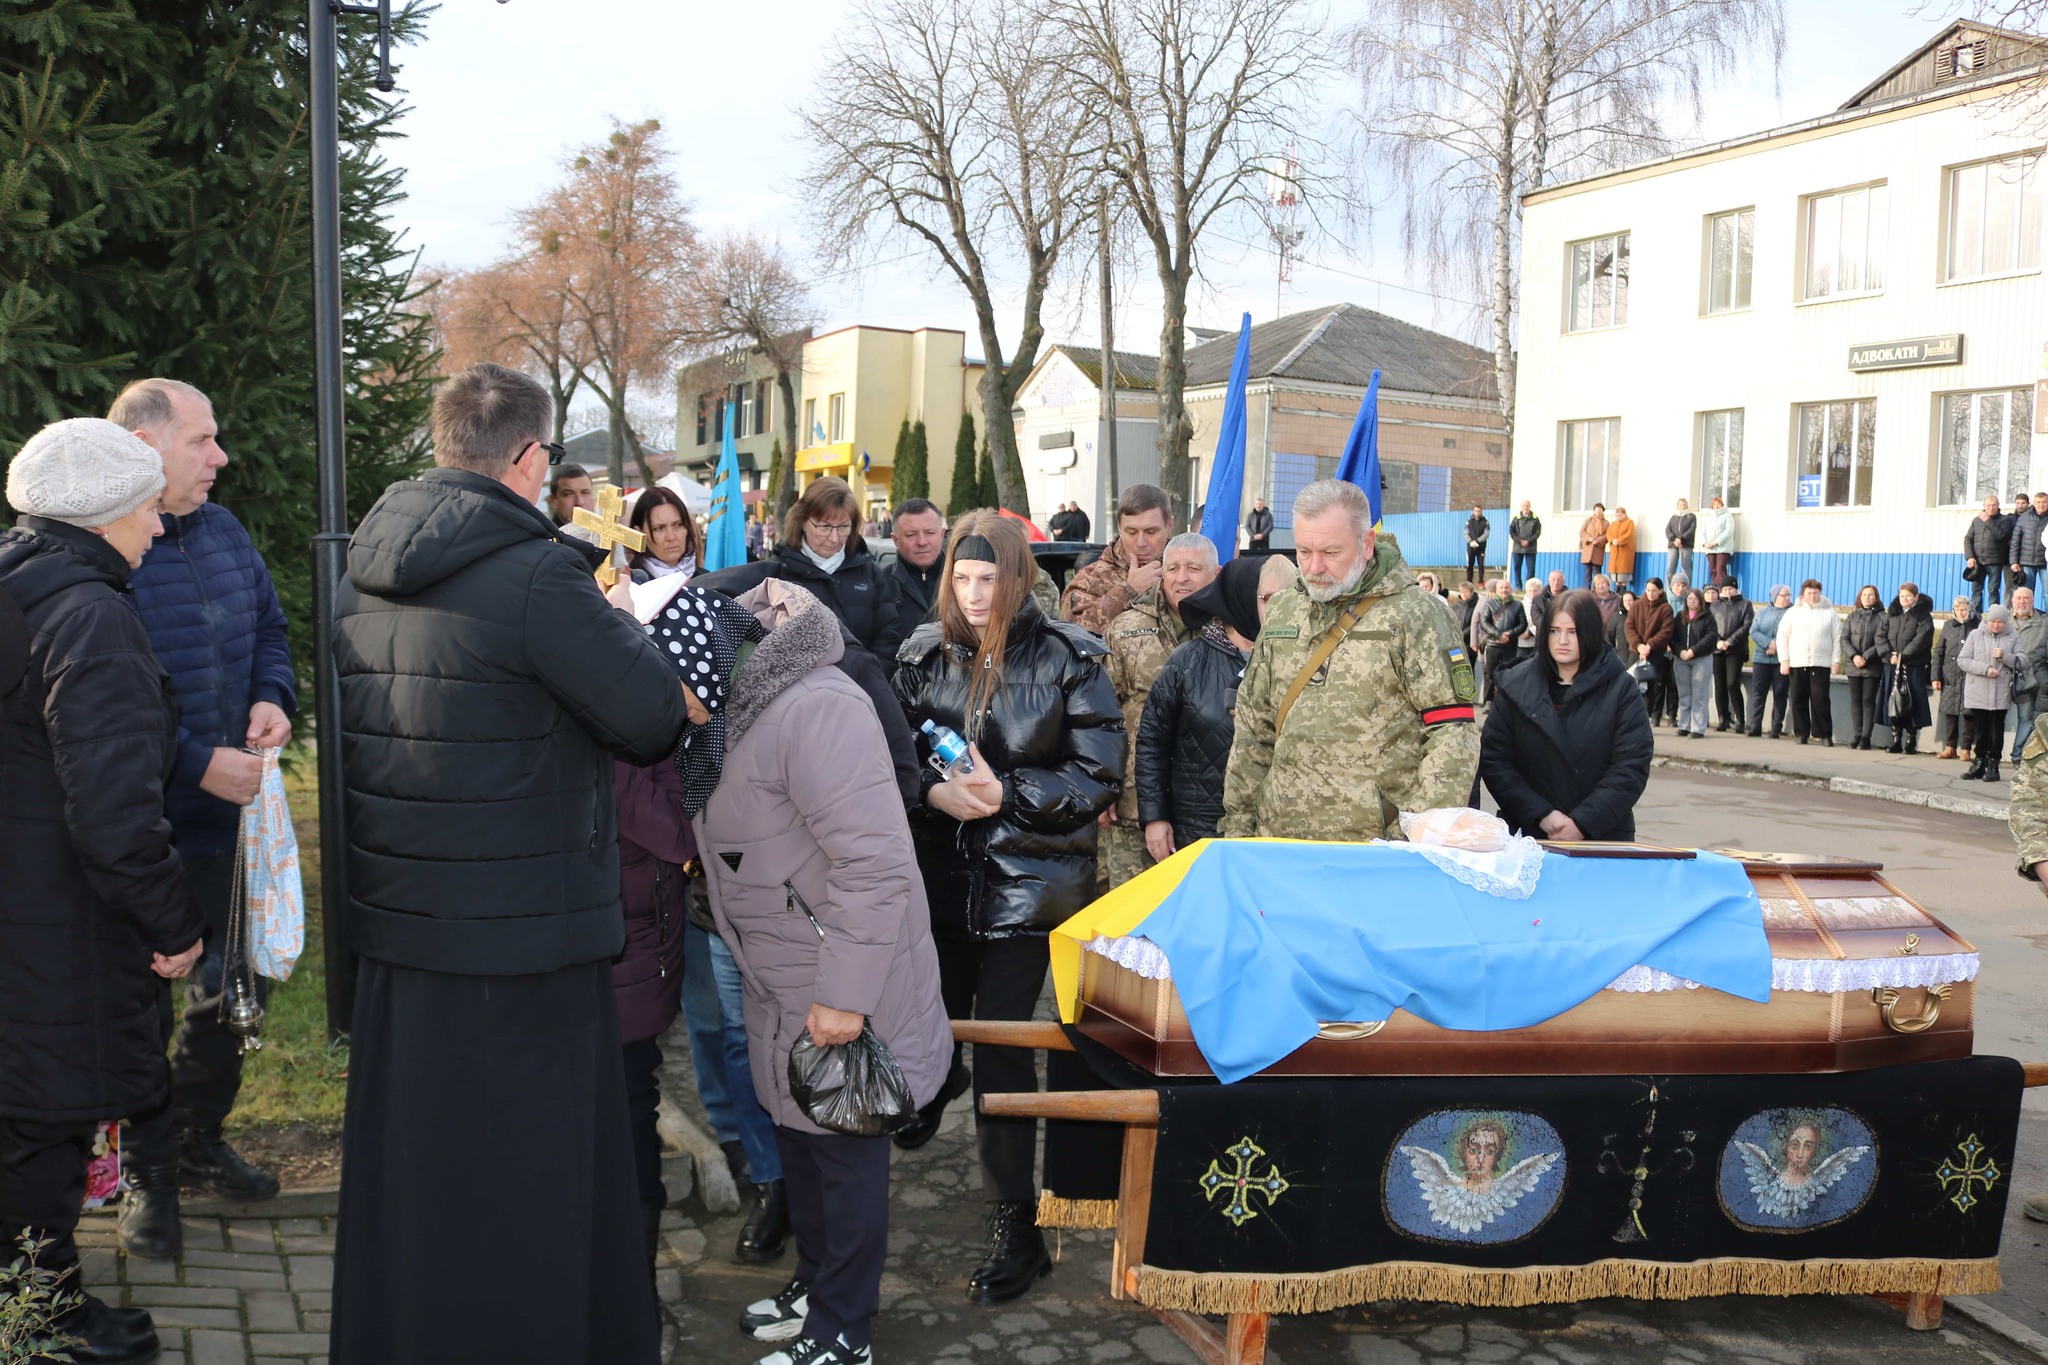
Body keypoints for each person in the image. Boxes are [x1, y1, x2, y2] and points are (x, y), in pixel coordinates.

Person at [329, 363, 692, 1363]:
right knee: (526, 1195)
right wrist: (622, 629)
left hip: (404, 931)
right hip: (523, 944)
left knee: (420, 1184)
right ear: (530, 459)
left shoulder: (359, 564)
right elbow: (650, 718)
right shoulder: (540, 575)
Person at [683, 584, 950, 1365]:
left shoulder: (814, 708)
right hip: (783, 967)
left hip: (837, 976)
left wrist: (844, 996)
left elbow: (875, 862)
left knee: (843, 1154)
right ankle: (817, 1286)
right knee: (799, 1140)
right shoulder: (737, 705)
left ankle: (844, 1331)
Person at [0, 420, 206, 1365]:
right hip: (61, 929)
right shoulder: (92, 618)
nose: (159, 529)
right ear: (105, 512)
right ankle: (39, 1322)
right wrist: (175, 924)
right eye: (146, 509)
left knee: (20, 1124)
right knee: (46, 1128)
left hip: (24, 911)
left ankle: (39, 1301)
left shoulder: (21, 587)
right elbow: (118, 812)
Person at [891, 512, 1122, 1304]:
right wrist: (934, 794)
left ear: (1019, 576)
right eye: (963, 577)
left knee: (1001, 1049)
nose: (976, 592)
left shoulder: (1070, 656)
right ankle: (932, 1084)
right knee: (931, 1021)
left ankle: (1015, 1224)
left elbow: (1098, 774)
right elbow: (892, 760)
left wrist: (1007, 795)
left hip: (1032, 888)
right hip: (944, 880)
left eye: (990, 578)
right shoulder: (922, 655)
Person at [110, 379, 293, 1259]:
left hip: (234, 832)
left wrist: (272, 698)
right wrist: (193, 759)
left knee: (236, 994)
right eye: (203, 441)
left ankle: (195, 1135)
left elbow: (269, 628)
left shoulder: (224, 532)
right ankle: (147, 1176)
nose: (221, 458)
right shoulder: (112, 552)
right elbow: (99, 709)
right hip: (145, 833)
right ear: (145, 447)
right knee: (141, 1009)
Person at [1220, 479, 1479, 841]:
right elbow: (1253, 728)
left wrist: (1422, 834)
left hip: (1373, 850)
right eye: (1304, 551)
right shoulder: (1283, 609)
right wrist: (1238, 826)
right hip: (1281, 839)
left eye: (1331, 553)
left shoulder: (1416, 615)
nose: (1314, 567)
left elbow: (1452, 732)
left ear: (1366, 544)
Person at [1478, 589, 1653, 841]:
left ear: (1590, 633)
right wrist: (1542, 815)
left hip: (1601, 838)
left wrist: (1583, 822)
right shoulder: (1514, 686)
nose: (1562, 640)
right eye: (1554, 631)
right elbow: (1495, 760)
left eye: (1573, 632)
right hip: (1528, 835)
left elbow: (1631, 767)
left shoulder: (1621, 690)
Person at [610, 746, 691, 1290]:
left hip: (627, 968)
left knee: (632, 1113)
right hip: (550, 967)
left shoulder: (636, 724)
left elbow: (677, 833)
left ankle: (635, 1298)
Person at [1101, 533, 1217, 887]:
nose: (1182, 577)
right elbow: (1102, 715)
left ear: (1216, 572)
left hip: (1208, 807)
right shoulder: (1124, 629)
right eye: (1173, 567)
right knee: (1128, 920)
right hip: (1132, 802)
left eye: (1193, 568)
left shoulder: (1233, 631)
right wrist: (1102, 784)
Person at [1137, 554, 1268, 858]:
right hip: (1198, 831)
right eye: (1267, 597)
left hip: (1268, 831)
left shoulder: (1291, 659)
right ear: (1242, 597)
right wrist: (1155, 817)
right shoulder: (1188, 661)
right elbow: (1152, 743)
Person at [1061, 483, 1172, 634]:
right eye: (1131, 532)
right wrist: (1128, 591)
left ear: (1169, 526)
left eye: (1151, 532)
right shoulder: (1093, 578)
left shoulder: (1187, 571)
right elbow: (1071, 630)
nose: (1141, 542)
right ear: (1119, 528)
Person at [1959, 603, 2027, 784]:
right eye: (1992, 621)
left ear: (2006, 622)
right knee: (1980, 729)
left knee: (1996, 730)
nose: (1995, 625)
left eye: (1999, 622)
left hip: (2001, 691)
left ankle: (1993, 765)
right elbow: (1963, 660)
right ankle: (1979, 762)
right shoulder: (1975, 635)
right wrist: (1985, 669)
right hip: (1978, 690)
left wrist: (2005, 656)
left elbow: (2023, 662)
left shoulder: (2013, 637)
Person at [1776, 579, 1840, 747]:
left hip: (1821, 663)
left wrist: (1835, 661)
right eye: (1809, 593)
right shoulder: (1792, 613)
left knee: (1821, 699)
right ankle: (1801, 733)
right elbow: (1782, 636)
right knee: (1798, 698)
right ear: (1803, 594)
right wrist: (1784, 660)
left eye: (1815, 593)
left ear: (1820, 593)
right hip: (1798, 662)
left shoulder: (1829, 613)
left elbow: (1837, 639)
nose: (1812, 596)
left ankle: (1824, 734)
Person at [1879, 583, 1934, 754]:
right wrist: (1889, 656)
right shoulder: (1892, 614)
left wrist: (1903, 656)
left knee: (1913, 703)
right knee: (1894, 701)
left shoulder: (1923, 616)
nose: (1905, 599)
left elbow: (1922, 638)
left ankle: (1911, 742)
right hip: (1892, 665)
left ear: (1916, 597)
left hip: (1913, 666)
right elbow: (1880, 636)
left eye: (1908, 596)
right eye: (1902, 596)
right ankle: (1896, 740)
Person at [888, 497, 947, 641]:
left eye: (930, 533)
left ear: (942, 534)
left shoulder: (963, 580)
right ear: (895, 540)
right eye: (911, 535)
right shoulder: (880, 584)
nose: (922, 542)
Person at [1840, 585, 1887, 750]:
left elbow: (1881, 641)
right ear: (1860, 597)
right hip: (1853, 665)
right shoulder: (1852, 616)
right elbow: (1844, 639)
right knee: (1856, 701)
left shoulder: (1882, 617)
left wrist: (1865, 657)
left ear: (1876, 597)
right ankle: (1857, 735)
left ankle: (1866, 737)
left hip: (1872, 666)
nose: (1867, 597)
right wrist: (1854, 656)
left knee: (1868, 701)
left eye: (1871, 595)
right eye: (1864, 595)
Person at [626, 484, 702, 583]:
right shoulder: (629, 585)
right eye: (658, 529)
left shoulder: (709, 581)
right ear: (639, 532)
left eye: (678, 525)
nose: (671, 537)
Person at [1625, 577, 1674, 724]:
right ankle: (1630, 717)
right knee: (1632, 684)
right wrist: (1638, 645)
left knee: (1651, 686)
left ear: (1660, 591)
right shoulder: (1637, 605)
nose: (1651, 593)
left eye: (1654, 591)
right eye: (1648, 590)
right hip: (1635, 651)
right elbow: (1629, 627)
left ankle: (1647, 717)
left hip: (1655, 652)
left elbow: (1666, 631)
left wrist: (1649, 646)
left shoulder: (1666, 608)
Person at [1934, 597, 1978, 761]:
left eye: (1964, 609)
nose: (1961, 612)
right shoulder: (1948, 626)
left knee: (1969, 714)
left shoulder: (1978, 626)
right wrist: (1935, 676)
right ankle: (1950, 747)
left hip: (1970, 676)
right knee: (1950, 713)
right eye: (1958, 609)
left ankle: (1966, 749)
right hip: (1950, 676)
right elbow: (1939, 652)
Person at [1748, 584, 1793, 738]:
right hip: (1761, 658)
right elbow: (1753, 631)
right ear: (1774, 597)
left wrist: (1777, 646)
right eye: (1783, 595)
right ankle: (1755, 726)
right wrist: (1769, 643)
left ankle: (1776, 728)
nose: (1787, 598)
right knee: (1758, 692)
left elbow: (1792, 634)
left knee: (1780, 693)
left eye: (1788, 595)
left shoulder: (1792, 613)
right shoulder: (1762, 612)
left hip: (1782, 660)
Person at [1709, 577, 1753, 732]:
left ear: (1736, 589)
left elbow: (1746, 625)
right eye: (1725, 589)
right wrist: (1718, 642)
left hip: (1736, 649)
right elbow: (1710, 626)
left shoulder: (1745, 604)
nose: (1728, 592)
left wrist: (1729, 641)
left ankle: (1740, 719)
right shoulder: (1715, 605)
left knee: (1732, 683)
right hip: (1717, 649)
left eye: (1731, 589)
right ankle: (1723, 718)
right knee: (1719, 685)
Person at [1672, 588, 1716, 738]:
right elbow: (1673, 638)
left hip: (1700, 659)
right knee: (1684, 693)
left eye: (1695, 599)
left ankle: (1697, 727)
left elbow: (1710, 637)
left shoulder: (1707, 617)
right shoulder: (1679, 617)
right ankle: (1684, 724)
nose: (1692, 601)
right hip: (1681, 659)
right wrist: (1680, 651)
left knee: (1699, 694)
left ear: (1700, 601)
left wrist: (1693, 651)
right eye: (1689, 599)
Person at [2012, 588, 2048, 762]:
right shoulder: (2003, 619)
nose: (2022, 602)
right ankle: (1989, 756)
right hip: (2005, 676)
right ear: (2012, 601)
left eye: (2026, 598)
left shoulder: (2044, 621)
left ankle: (2019, 757)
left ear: (2033, 601)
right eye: (2018, 598)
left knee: (2026, 719)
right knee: (1993, 719)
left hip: (2033, 679)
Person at [1475, 578, 1526, 701]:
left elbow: (1523, 624)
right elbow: (1484, 622)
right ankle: (1488, 700)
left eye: (1506, 587)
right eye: (1501, 588)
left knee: (1509, 673)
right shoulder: (1490, 604)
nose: (1504, 590)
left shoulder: (1518, 605)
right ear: (1497, 590)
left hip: (1510, 645)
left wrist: (1510, 634)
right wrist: (1498, 635)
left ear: (1511, 589)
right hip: (1493, 644)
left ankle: (1506, 699)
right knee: (1489, 673)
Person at [1966, 494, 2011, 614]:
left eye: (1994, 505)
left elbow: (2001, 535)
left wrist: (1988, 521)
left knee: (1993, 590)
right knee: (1976, 590)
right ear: (1984, 506)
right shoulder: (1976, 520)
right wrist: (1970, 557)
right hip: (1977, 562)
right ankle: (1975, 615)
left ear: (1998, 506)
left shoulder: (2005, 520)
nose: (1991, 508)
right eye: (1988, 505)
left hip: (1995, 562)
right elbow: (1968, 539)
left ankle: (1994, 614)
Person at [2011, 491, 2048, 599]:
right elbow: (2015, 541)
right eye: (2039, 502)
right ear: (2033, 503)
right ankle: (2028, 615)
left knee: (2047, 594)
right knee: (2026, 594)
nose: (2041, 505)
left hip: (2045, 562)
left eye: (2044, 502)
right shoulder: (2024, 517)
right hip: (2027, 562)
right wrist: (2014, 562)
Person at [1698, 495, 1735, 585]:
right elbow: (1702, 532)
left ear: (1722, 505)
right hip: (1710, 549)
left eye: (1718, 504)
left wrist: (1716, 541)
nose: (1716, 506)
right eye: (1714, 505)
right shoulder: (1708, 517)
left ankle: (1724, 589)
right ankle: (1717, 590)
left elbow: (1728, 531)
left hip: (1723, 548)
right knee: (1713, 570)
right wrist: (1705, 543)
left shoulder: (1727, 516)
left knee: (1720, 569)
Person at [547, 461, 595, 527]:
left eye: (585, 492)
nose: (579, 502)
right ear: (553, 501)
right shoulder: (546, 536)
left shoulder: (602, 535)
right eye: (568, 494)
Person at [1508, 500, 1542, 589]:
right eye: (1524, 506)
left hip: (1531, 548)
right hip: (1517, 548)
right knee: (1517, 568)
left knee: (1531, 569)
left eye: (1527, 506)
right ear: (1521, 507)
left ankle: (1529, 587)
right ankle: (1518, 586)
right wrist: (1520, 541)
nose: (1526, 507)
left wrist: (1528, 541)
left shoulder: (1535, 519)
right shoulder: (1516, 518)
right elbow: (1512, 532)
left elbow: (1537, 532)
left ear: (1530, 506)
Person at [1605, 506, 1638, 592]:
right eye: (1617, 515)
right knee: (1615, 574)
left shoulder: (1630, 523)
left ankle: (1623, 590)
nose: (1618, 516)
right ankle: (1617, 589)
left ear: (1624, 514)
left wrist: (1620, 541)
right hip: (1615, 552)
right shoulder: (1613, 524)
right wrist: (1612, 540)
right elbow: (1608, 534)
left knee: (1623, 573)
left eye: (1620, 514)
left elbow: (1629, 535)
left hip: (1625, 552)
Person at [1665, 498, 1695, 585]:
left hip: (1686, 545)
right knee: (1670, 569)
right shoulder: (1673, 517)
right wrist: (1674, 539)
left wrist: (1681, 539)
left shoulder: (1691, 517)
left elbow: (1691, 530)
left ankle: (1687, 590)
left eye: (1684, 504)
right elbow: (1668, 530)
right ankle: (1669, 590)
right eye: (1680, 504)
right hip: (1673, 546)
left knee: (1686, 569)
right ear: (1677, 506)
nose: (1682, 506)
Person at [1577, 503, 1608, 588]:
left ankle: (1597, 590)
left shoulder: (1606, 523)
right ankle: (1587, 591)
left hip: (1598, 550)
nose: (1598, 511)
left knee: (1597, 574)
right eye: (1597, 509)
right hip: (1588, 550)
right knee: (1587, 575)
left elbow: (1607, 535)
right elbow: (1582, 532)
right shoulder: (1589, 520)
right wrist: (1589, 538)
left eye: (1600, 510)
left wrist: (1598, 540)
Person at [1464, 504, 1490, 583]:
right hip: (1470, 546)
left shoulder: (1485, 522)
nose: (1477, 512)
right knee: (1469, 565)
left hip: (1481, 547)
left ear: (1481, 512)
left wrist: (1477, 541)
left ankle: (1481, 581)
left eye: (1479, 511)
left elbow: (1486, 534)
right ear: (1473, 511)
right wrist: (1471, 541)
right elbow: (1466, 533)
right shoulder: (1469, 522)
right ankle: (1469, 581)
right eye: (1476, 511)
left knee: (1481, 565)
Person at [1452, 579, 1479, 644]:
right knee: (1455, 654)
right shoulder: (1455, 607)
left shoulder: (1477, 606)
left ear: (1472, 593)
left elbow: (1476, 623)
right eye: (1461, 592)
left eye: (1466, 592)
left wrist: (1464, 634)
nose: (1464, 594)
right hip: (1456, 640)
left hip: (1470, 642)